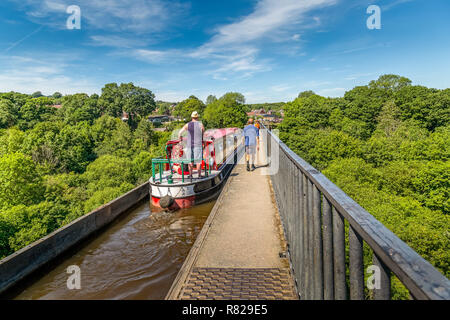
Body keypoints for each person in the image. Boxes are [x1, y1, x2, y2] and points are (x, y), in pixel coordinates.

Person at [178, 111, 205, 178]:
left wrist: (180, 138)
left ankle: (190, 175)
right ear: (197, 117)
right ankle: (199, 175)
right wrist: (203, 142)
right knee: (198, 161)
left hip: (189, 146)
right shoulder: (200, 125)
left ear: (192, 117)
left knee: (190, 161)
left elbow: (180, 132)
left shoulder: (187, 125)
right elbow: (203, 135)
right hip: (198, 145)